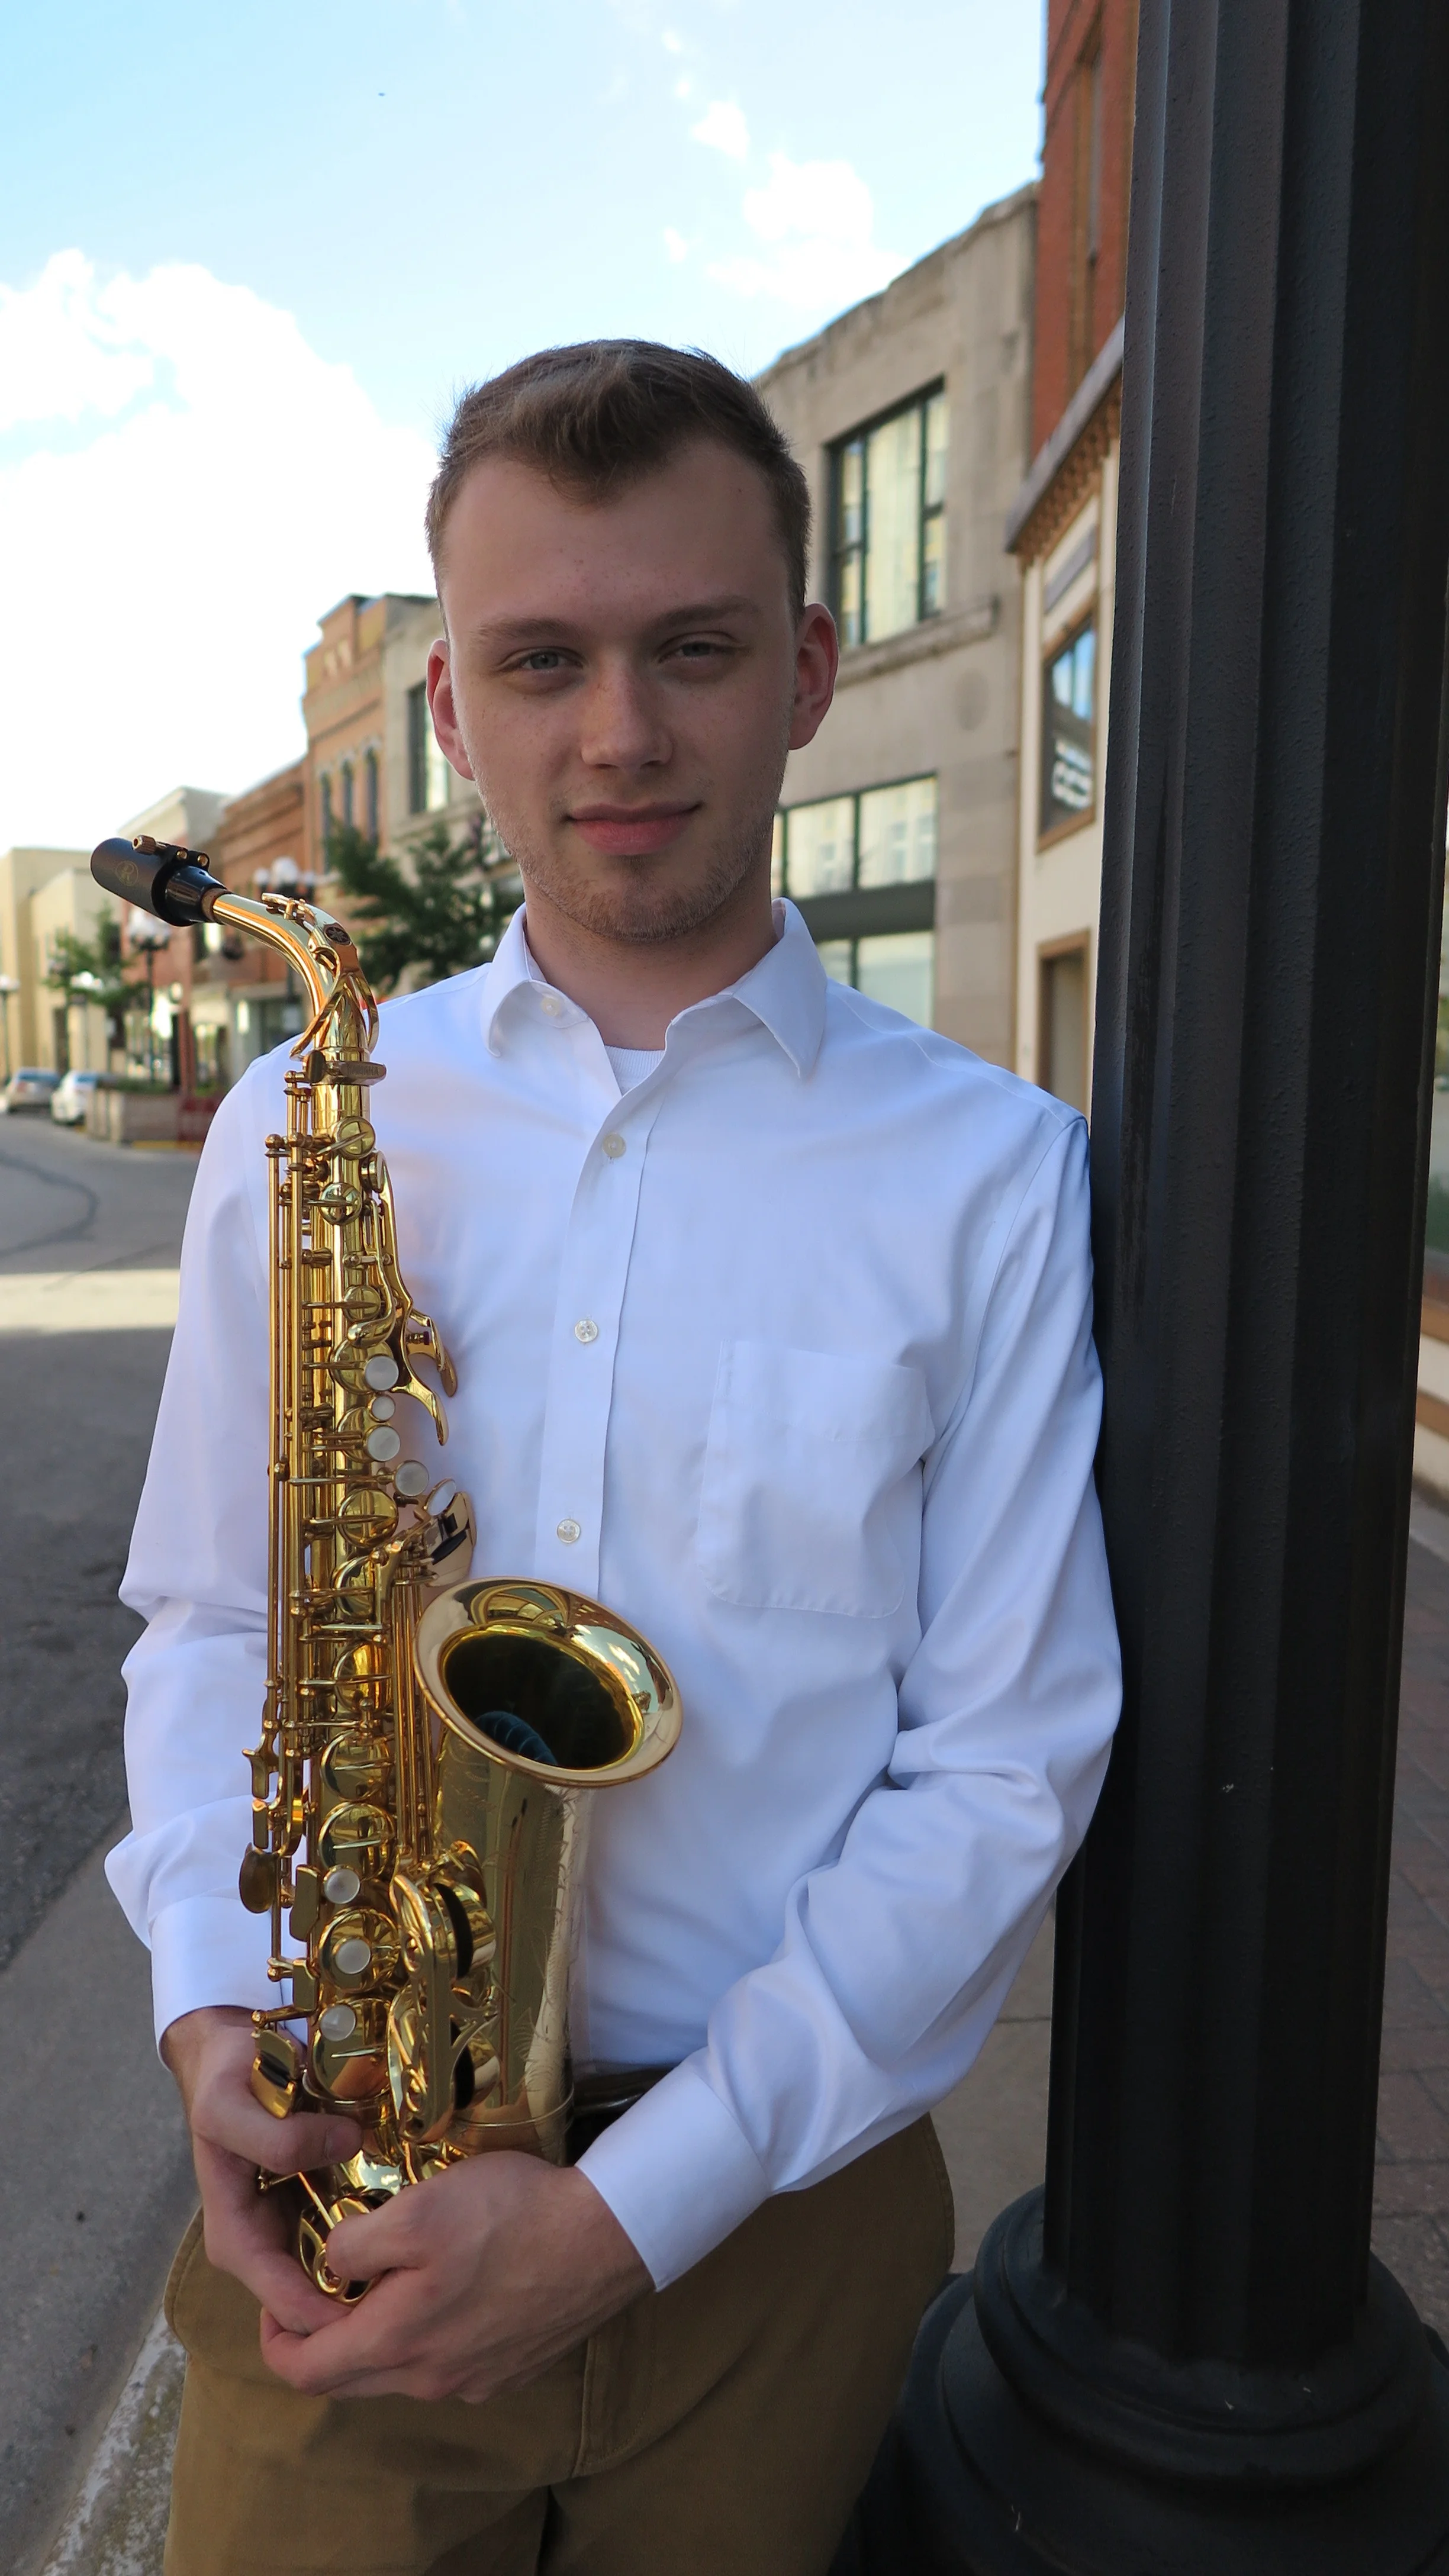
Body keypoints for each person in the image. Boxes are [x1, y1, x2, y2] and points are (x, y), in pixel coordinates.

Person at [110, 341, 1121, 2576]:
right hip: (347, 2169)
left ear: (810, 672)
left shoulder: (994, 1174)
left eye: (696, 649)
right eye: (541, 661)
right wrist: (203, 2013)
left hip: (776, 2227)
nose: (621, 734)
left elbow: (1002, 1764)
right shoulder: (300, 1124)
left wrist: (627, 2213)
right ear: (452, 706)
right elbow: (212, 1617)